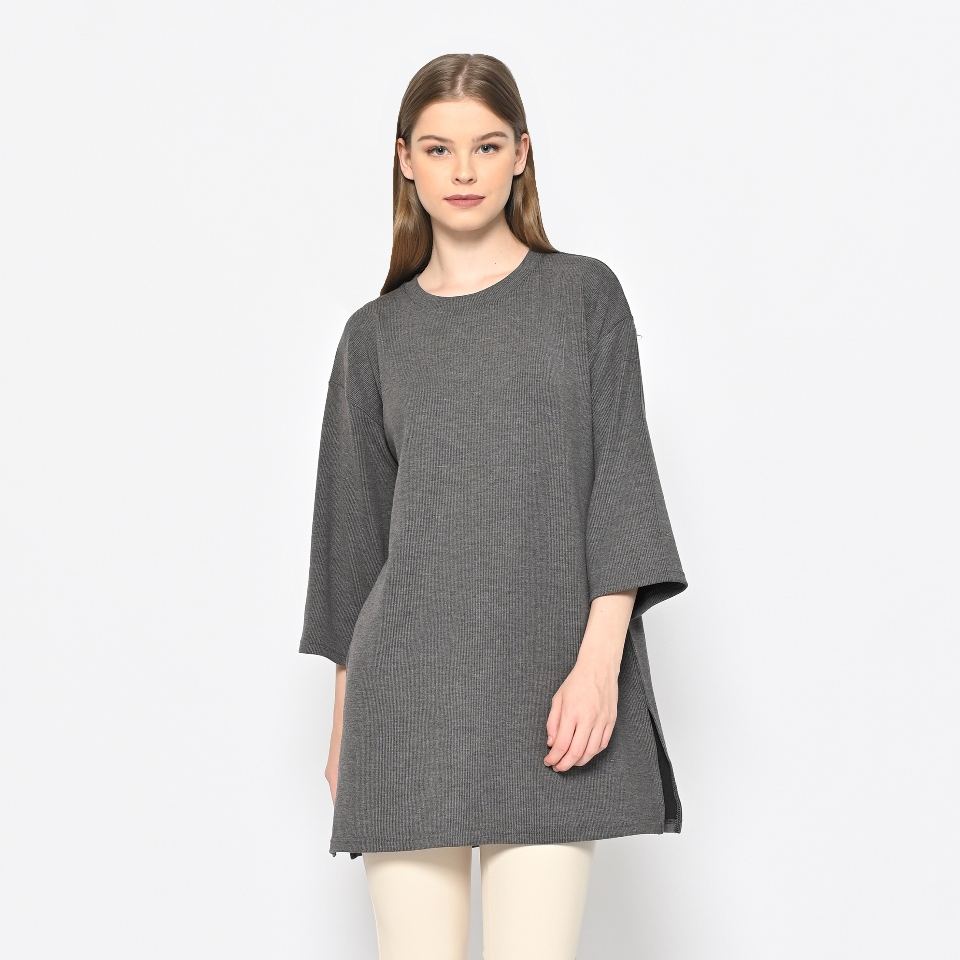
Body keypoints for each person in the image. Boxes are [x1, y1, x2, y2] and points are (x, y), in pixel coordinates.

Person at [298, 52, 689, 960]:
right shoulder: (375, 337)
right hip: (405, 708)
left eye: (485, 145)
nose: (463, 171)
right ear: (406, 160)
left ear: (522, 153)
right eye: (439, 148)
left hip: (551, 693)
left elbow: (621, 485)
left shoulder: (583, 297)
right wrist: (345, 730)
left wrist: (598, 668)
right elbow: (352, 547)